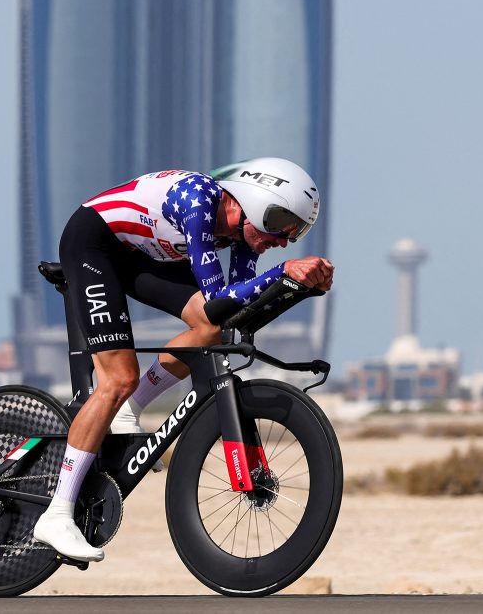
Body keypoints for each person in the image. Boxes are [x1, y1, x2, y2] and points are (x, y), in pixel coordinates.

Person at [32, 157, 334, 561]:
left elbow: (233, 310)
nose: (283, 238)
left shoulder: (245, 234)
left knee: (211, 332)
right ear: (255, 200)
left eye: (295, 233)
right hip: (94, 243)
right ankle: (57, 514)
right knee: (117, 378)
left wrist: (299, 286)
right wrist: (284, 270)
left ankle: (129, 409)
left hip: (136, 256)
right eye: (281, 223)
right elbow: (216, 301)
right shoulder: (199, 203)